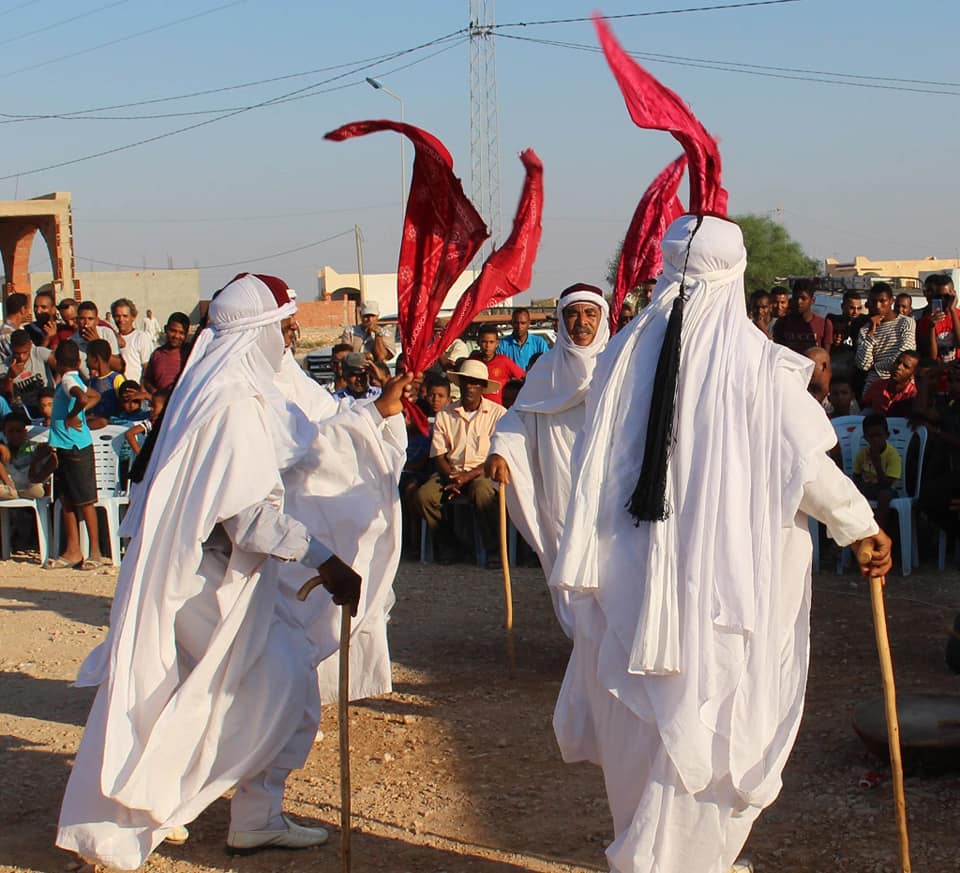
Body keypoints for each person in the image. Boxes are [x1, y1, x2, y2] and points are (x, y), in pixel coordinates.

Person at [548, 214, 891, 873]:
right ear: (736, 276)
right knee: (708, 719)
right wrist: (860, 526)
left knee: (643, 723)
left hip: (627, 581)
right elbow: (806, 469)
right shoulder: (758, 368)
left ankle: (653, 854)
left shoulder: (619, 357)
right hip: (718, 588)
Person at [56, 273, 408, 869]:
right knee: (274, 689)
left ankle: (248, 817)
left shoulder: (230, 390)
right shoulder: (232, 405)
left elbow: (311, 437)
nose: (288, 338)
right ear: (257, 331)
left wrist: (376, 415)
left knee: (232, 692)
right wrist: (326, 561)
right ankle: (146, 814)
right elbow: (249, 518)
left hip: (220, 576)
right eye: (282, 327)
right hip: (204, 579)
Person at [486, 283, 610, 635]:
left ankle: (610, 646)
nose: (581, 322)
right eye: (572, 314)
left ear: (601, 318)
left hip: (608, 481)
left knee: (610, 561)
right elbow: (517, 418)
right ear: (560, 320)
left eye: (590, 313)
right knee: (566, 552)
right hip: (560, 480)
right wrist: (500, 449)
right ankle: (581, 641)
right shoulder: (545, 371)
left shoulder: (617, 365)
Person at [414, 359, 505, 567]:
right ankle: (448, 544)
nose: (470, 387)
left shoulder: (498, 414)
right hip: (451, 471)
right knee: (424, 496)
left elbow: (498, 454)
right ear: (460, 384)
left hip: (483, 472)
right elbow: (438, 454)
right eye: (466, 382)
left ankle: (493, 550)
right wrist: (452, 477)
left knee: (482, 492)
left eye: (475, 382)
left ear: (483, 387)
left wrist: (467, 476)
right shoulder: (445, 414)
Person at [45, 340, 106, 570]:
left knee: (85, 500)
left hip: (75, 447)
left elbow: (82, 398)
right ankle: (73, 550)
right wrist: (77, 413)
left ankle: (95, 552)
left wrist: (72, 416)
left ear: (58, 363)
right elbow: (95, 396)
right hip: (65, 446)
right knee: (68, 499)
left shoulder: (68, 381)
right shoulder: (75, 378)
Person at [855, 282, 916, 394]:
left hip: (901, 386)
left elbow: (904, 354)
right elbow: (863, 364)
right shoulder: (865, 330)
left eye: (882, 301)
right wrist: (871, 332)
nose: (878, 306)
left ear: (891, 301)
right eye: (873, 301)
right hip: (873, 386)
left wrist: (876, 367)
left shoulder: (906, 322)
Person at [853, 413, 901, 533]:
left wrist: (877, 463)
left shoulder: (892, 455)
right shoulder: (862, 454)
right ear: (866, 438)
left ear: (887, 435)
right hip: (869, 487)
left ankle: (878, 531)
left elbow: (887, 484)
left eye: (879, 435)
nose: (875, 440)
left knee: (884, 496)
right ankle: (856, 531)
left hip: (887, 489)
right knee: (851, 494)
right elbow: (856, 476)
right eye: (871, 436)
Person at [0, 328, 55, 418]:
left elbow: (62, 366)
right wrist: (10, 378)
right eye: (17, 353)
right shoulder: (4, 367)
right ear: (11, 347)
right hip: (26, 411)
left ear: (30, 345)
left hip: (49, 404)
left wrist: (57, 384)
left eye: (25, 352)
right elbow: (8, 398)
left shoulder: (39, 353)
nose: (21, 357)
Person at [772, 279, 833, 353]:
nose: (799, 302)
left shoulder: (824, 324)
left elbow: (825, 356)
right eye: (796, 298)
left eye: (803, 298)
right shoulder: (782, 323)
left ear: (812, 300)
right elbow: (777, 352)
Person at [471, 325, 524, 405]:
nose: (488, 346)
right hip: (477, 408)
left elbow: (523, 377)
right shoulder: (473, 362)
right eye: (484, 342)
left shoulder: (504, 361)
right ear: (478, 342)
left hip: (498, 409)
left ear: (497, 343)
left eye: (491, 342)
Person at [0, 410, 45, 500]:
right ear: (4, 433)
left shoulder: (33, 448)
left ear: (25, 432)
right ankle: (12, 493)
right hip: (7, 487)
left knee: (36, 490)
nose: (15, 435)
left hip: (29, 487)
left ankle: (21, 493)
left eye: (19, 431)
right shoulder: (3, 450)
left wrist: (36, 460)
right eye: (11, 431)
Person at [71, 301, 123, 376]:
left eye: (90, 319)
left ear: (96, 321)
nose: (86, 323)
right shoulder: (72, 342)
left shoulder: (106, 333)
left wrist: (97, 344)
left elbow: (119, 367)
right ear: (77, 320)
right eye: (82, 319)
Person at [861, 350, 919, 416]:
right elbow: (865, 408)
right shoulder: (877, 386)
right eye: (898, 362)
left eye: (906, 366)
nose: (899, 367)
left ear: (913, 374)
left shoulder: (914, 394)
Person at [142, 312, 190, 393]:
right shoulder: (157, 354)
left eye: (181, 333)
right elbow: (147, 380)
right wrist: (157, 394)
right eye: (173, 331)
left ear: (186, 334)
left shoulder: (191, 353)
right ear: (165, 329)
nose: (176, 336)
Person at [112, 298, 155, 383]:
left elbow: (147, 368)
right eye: (117, 316)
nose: (121, 320)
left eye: (125, 316)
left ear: (133, 317)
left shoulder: (141, 337)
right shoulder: (111, 338)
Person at [86, 339, 126, 419]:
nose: (86, 360)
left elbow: (124, 404)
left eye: (88, 356)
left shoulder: (116, 379)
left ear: (96, 359)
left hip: (114, 424)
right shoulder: (91, 382)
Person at [0, 292, 29, 357]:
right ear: (22, 309)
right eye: (27, 308)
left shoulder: (19, 329)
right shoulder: (7, 334)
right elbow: (22, 358)